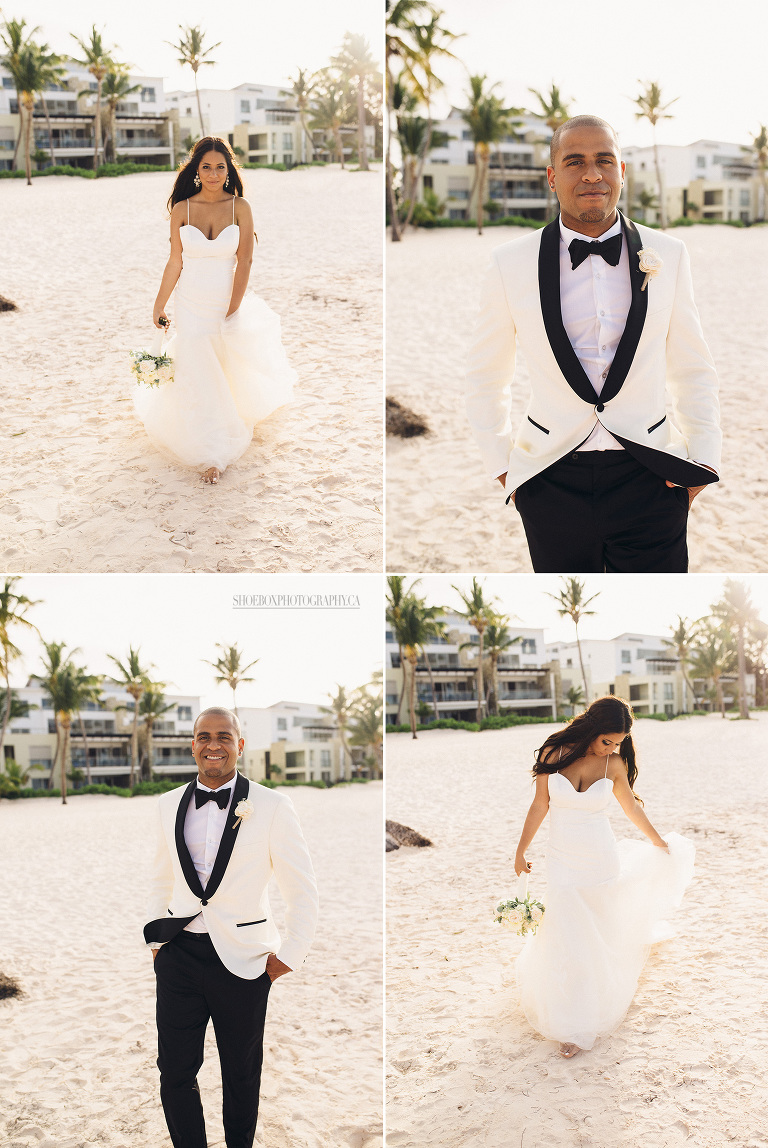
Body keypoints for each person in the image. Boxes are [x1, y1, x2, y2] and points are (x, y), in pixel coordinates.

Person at [465, 115, 721, 573]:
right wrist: (504, 469)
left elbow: (692, 366)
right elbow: (486, 374)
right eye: (574, 162)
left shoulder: (670, 254)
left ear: (621, 171)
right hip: (549, 477)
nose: (591, 174)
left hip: (652, 475)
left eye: (604, 160)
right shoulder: (509, 263)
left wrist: (703, 460)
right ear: (551, 176)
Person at [144, 706, 318, 1147]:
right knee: (175, 1072)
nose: (213, 745)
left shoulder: (273, 806)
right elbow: (160, 877)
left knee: (241, 1074)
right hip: (178, 956)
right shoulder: (167, 805)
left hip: (245, 961)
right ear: (193, 746)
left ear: (240, 745)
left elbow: (302, 889)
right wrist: (157, 943)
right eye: (204, 736)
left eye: (224, 736)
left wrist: (289, 956)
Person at [513, 696, 694, 1058]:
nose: (611, 748)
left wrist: (658, 842)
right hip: (561, 858)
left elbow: (630, 808)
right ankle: (566, 1010)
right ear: (592, 728)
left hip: (600, 858)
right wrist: (520, 850)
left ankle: (581, 1018)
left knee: (596, 932)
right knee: (565, 932)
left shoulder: (614, 764)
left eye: (618, 743)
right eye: (607, 741)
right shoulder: (554, 752)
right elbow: (539, 805)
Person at [135, 136, 296, 485]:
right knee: (196, 364)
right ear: (196, 169)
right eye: (206, 167)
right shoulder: (182, 209)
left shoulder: (241, 207)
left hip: (225, 298)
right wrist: (159, 303)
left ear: (229, 169)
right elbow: (175, 261)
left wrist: (233, 308)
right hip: (190, 300)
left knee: (221, 365)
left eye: (220, 167)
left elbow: (245, 260)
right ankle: (210, 450)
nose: (213, 174)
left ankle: (221, 429)